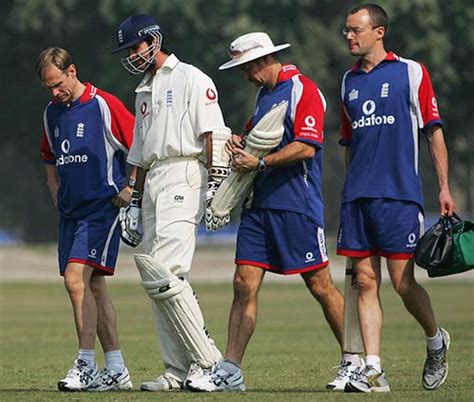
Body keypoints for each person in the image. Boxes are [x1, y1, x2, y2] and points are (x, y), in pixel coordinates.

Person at [187, 32, 361, 393]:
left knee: (321, 285)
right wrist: (239, 142)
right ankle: (231, 370)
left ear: (259, 61)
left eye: (244, 68)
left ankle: (355, 362)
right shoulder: (263, 95)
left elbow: (307, 147)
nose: (244, 75)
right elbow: (254, 140)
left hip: (295, 205)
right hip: (258, 206)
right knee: (243, 284)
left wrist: (260, 162)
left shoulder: (303, 89)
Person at [336, 4, 455, 393]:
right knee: (365, 282)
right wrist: (349, 189)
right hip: (358, 199)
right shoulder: (347, 82)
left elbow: (433, 132)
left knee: (403, 283)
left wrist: (443, 187)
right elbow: (348, 143)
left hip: (399, 196)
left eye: (355, 30)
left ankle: (436, 340)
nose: (349, 36)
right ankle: (374, 371)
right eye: (346, 31)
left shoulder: (411, 72)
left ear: (379, 32)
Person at [112, 14, 227, 391]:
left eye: (135, 46)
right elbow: (140, 153)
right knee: (157, 277)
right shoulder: (143, 90)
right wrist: (131, 199)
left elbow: (213, 133)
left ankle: (209, 363)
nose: (132, 54)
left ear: (154, 40)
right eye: (128, 50)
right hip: (154, 180)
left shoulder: (191, 77)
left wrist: (216, 185)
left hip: (185, 171)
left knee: (168, 272)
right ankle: (177, 369)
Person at [36, 47, 135, 391]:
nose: (54, 92)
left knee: (75, 280)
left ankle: (85, 365)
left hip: (101, 209)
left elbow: (139, 146)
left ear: (73, 71)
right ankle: (118, 370)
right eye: (48, 87)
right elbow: (49, 154)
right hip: (70, 213)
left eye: (58, 84)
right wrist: (53, 187)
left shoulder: (104, 105)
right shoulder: (51, 113)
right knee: (93, 286)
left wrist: (131, 188)